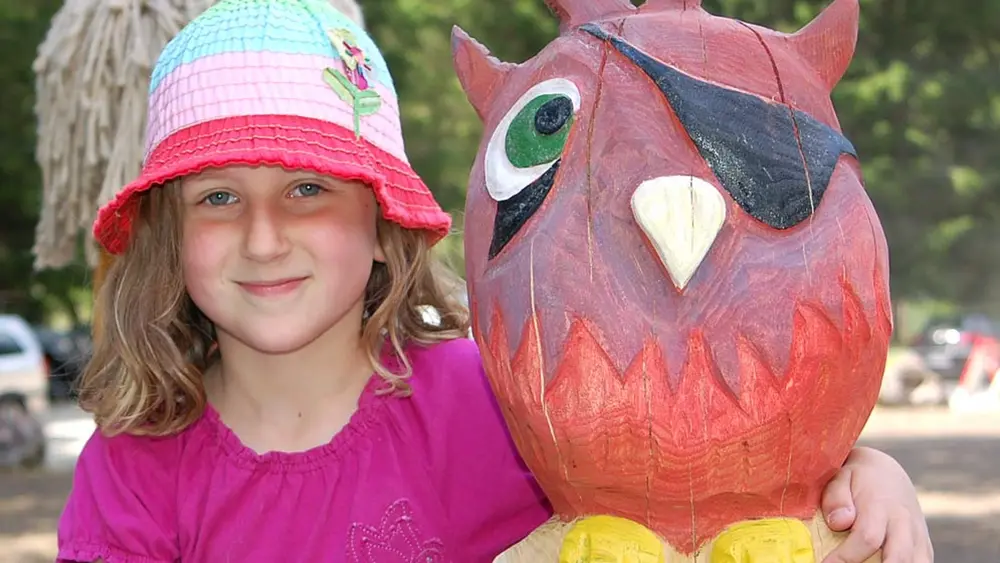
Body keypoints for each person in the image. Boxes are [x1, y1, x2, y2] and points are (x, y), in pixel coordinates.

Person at [56, 1, 932, 562]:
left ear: (380, 218)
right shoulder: (131, 469)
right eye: (217, 197)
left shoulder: (504, 404)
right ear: (170, 234)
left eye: (308, 188)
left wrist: (860, 474)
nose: (263, 235)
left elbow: (696, 473)